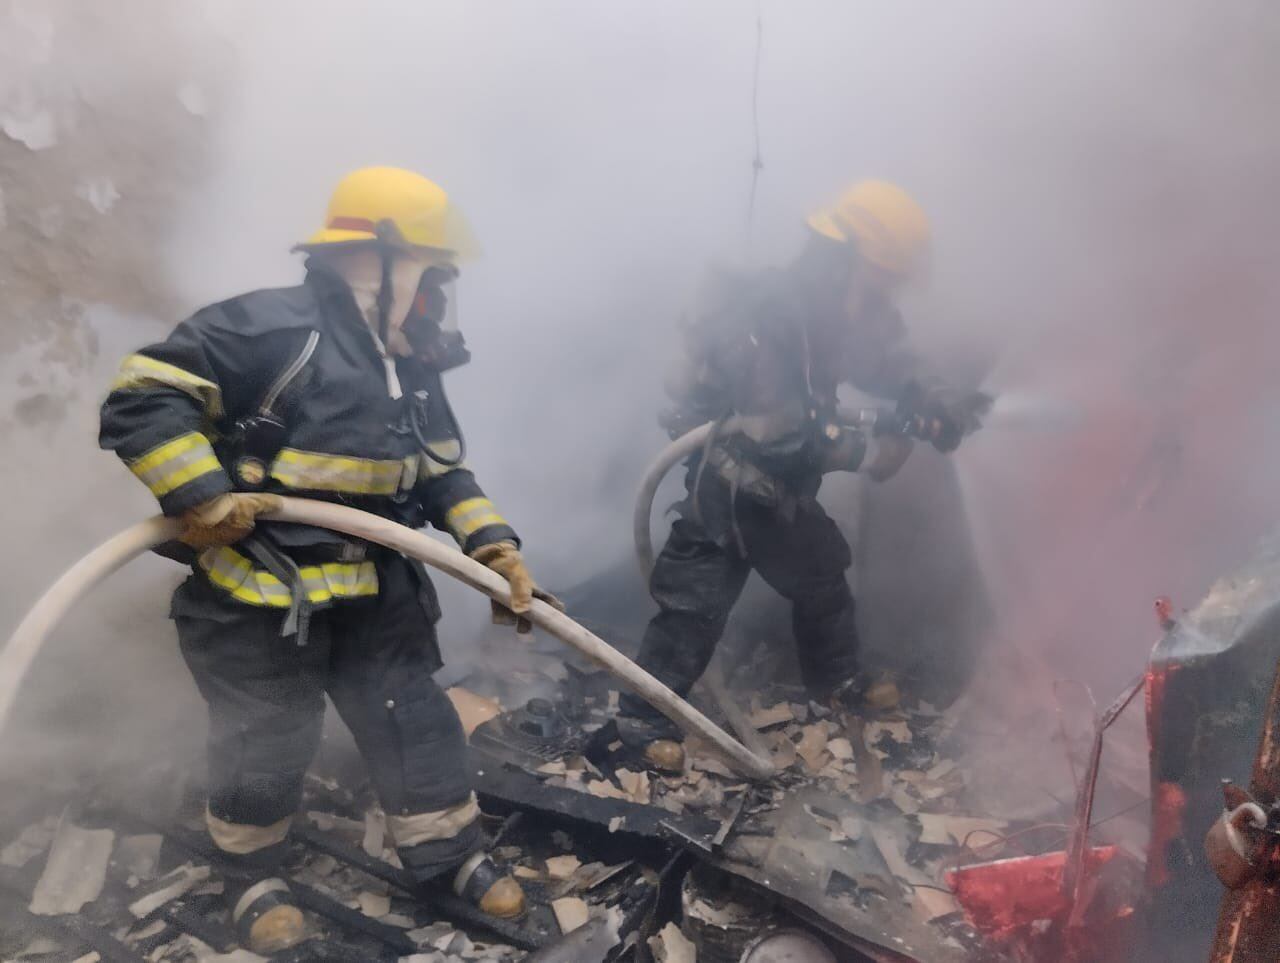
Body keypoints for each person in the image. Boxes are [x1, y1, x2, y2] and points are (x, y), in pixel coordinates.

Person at [99, 167, 549, 952]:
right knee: (263, 733)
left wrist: (494, 548)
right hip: (261, 590)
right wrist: (201, 494)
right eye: (431, 277)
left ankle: (446, 853)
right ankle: (251, 873)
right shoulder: (274, 329)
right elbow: (143, 393)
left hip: (378, 587)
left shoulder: (411, 364)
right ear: (376, 264)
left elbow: (440, 470)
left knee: (412, 716)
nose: (438, 298)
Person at [615, 180, 989, 773]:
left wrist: (936, 401)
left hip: (784, 497)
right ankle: (636, 725)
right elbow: (777, 432)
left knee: (823, 582)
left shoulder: (843, 309)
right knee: (693, 609)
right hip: (733, 489)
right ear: (843, 260)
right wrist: (868, 455)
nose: (887, 292)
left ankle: (836, 684)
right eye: (882, 276)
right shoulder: (773, 314)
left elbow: (891, 357)